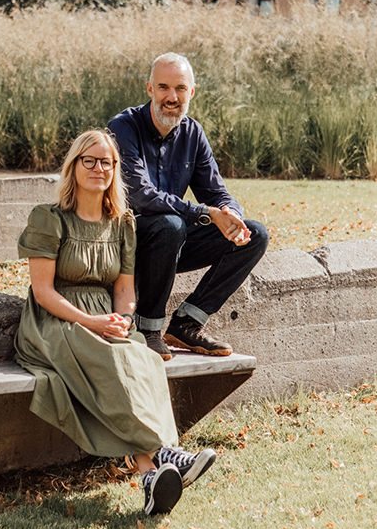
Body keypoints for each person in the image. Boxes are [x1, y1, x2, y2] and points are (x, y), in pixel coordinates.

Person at [14, 128, 217, 517]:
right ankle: (166, 453)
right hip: (54, 322)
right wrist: (92, 322)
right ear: (73, 168)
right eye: (88, 160)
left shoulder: (123, 223)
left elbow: (124, 290)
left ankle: (150, 475)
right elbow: (43, 292)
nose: (98, 168)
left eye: (106, 162)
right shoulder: (49, 219)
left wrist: (123, 320)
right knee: (111, 364)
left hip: (105, 318)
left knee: (143, 360)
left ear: (114, 170)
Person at [108, 53, 269, 361]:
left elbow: (216, 190)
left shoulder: (193, 133)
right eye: (164, 87)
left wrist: (230, 214)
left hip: (173, 242)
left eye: (180, 88)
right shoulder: (124, 127)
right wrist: (207, 213)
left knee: (256, 235)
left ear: (191, 92)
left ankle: (187, 323)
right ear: (149, 90)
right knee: (170, 224)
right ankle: (148, 328)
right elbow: (142, 196)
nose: (172, 97)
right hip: (127, 244)